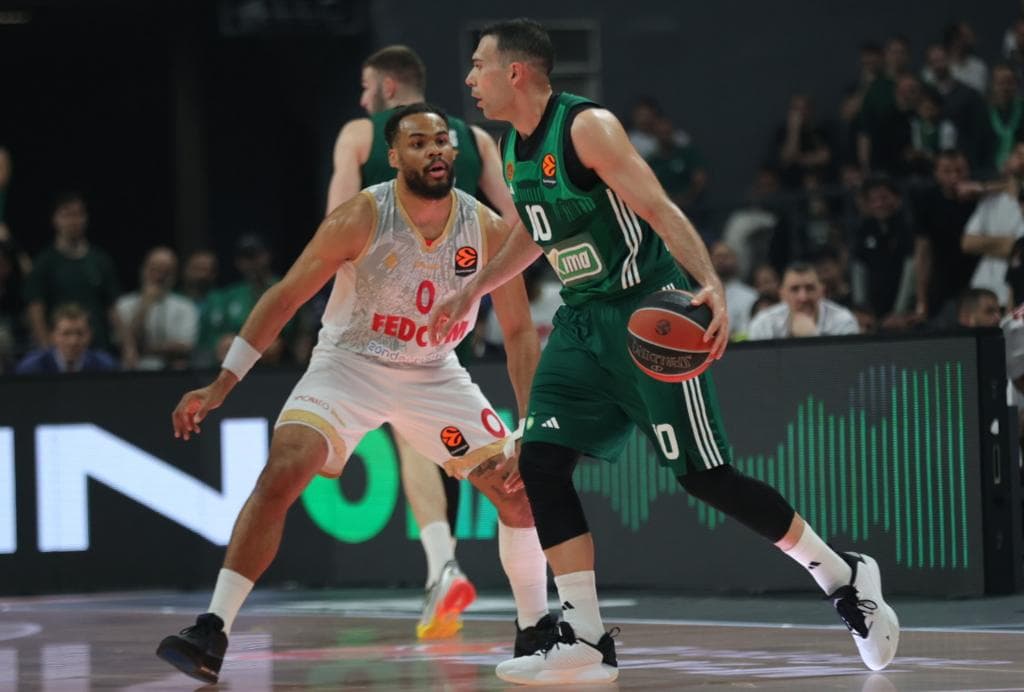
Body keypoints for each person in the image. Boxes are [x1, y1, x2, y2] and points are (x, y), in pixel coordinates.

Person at [433, 19, 898, 685]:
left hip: (645, 315)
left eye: (479, 65)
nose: (470, 78)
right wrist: (473, 289)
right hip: (581, 322)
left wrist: (708, 282)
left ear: (516, 71)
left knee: (706, 477)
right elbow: (533, 233)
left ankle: (843, 575)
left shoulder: (587, 128)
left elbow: (658, 207)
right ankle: (586, 638)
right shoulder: (510, 148)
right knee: (540, 462)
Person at [155, 105, 553, 684]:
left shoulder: (487, 227)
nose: (435, 150)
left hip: (433, 373)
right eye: (419, 142)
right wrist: (224, 381)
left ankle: (536, 629)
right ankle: (211, 629)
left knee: (518, 490)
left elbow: (518, 332)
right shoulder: (362, 215)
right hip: (348, 365)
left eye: (442, 140)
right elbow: (285, 297)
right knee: (283, 469)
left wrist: (531, 423)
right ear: (394, 156)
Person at [325, 44, 526, 637]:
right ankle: (479, 580)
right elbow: (519, 224)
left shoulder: (359, 135)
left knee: (407, 427)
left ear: (387, 87)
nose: (362, 97)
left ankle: (443, 567)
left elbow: (333, 226)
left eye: (366, 86)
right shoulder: (475, 140)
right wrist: (486, 286)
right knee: (446, 440)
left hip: (384, 315)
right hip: (455, 307)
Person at [24, 191, 135, 365]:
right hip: (60, 351)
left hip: (97, 349)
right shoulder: (44, 263)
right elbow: (35, 308)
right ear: (55, 219)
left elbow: (113, 308)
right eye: (67, 215)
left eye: (78, 214)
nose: (73, 221)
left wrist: (128, 346)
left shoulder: (100, 260)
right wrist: (46, 348)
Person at [115, 246, 199, 370]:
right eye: (154, 269)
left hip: (172, 372)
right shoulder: (124, 304)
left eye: (166, 271)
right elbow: (126, 344)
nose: (159, 276)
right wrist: (144, 306)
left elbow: (185, 346)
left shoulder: (185, 306)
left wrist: (147, 349)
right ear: (143, 270)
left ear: (174, 276)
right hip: (135, 371)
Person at [748, 262, 860, 339]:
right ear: (782, 294)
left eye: (810, 288)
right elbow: (759, 365)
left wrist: (812, 337)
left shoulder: (843, 321)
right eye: (794, 289)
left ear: (822, 291)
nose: (803, 297)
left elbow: (845, 365)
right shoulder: (764, 323)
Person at [15, 302, 117, 374]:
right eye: (66, 334)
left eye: (80, 333)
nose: (73, 341)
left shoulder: (105, 366)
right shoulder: (31, 368)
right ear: (53, 336)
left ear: (90, 335)